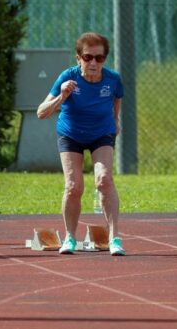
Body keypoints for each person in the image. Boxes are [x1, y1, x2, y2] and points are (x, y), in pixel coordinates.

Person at [37, 32, 126, 256]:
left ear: (105, 59)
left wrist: (115, 120)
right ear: (78, 58)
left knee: (104, 180)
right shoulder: (67, 77)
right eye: (88, 57)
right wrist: (62, 96)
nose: (93, 63)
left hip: (101, 133)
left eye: (99, 58)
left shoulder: (113, 79)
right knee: (74, 186)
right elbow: (41, 113)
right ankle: (69, 238)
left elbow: (117, 98)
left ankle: (114, 238)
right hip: (71, 135)